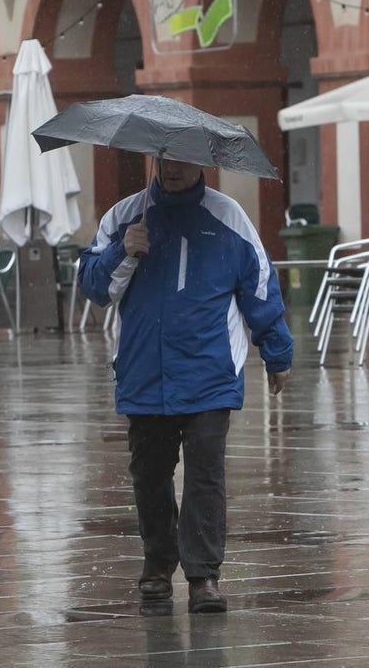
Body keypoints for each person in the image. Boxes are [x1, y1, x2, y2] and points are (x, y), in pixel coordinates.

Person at [78, 157, 293, 614]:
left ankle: (203, 577)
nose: (172, 169)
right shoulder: (124, 216)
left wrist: (277, 352)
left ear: (201, 162)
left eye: (182, 161)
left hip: (210, 370)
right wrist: (123, 251)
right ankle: (157, 564)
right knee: (149, 474)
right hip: (144, 370)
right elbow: (95, 288)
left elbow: (259, 285)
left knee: (205, 473)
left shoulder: (228, 217)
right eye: (165, 160)